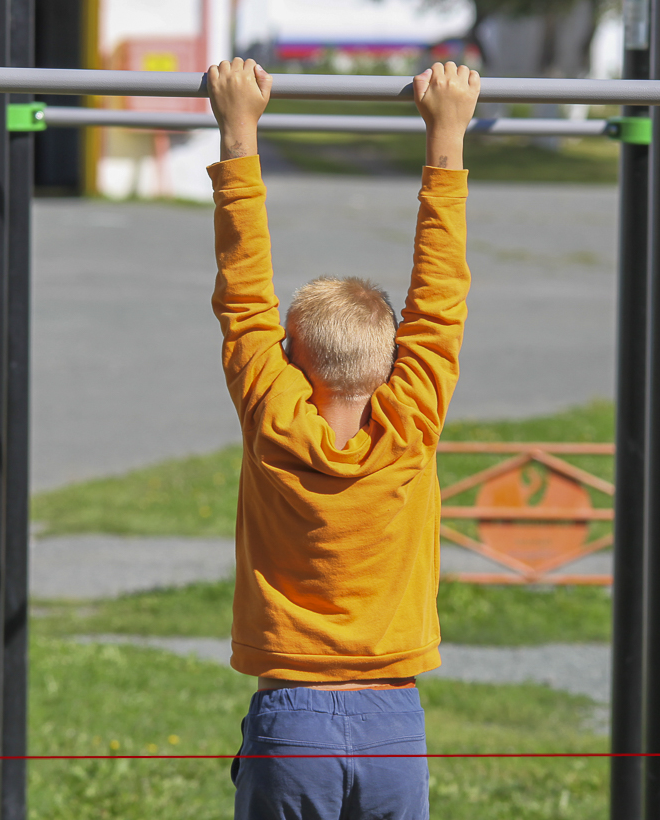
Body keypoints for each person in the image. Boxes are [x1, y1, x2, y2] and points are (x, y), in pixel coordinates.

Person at [206, 57, 479, 820]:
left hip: (288, 717)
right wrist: (447, 137)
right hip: (394, 721)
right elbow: (441, 297)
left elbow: (243, 293)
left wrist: (238, 130)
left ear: (289, 360)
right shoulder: (413, 415)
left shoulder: (271, 412)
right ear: (396, 362)